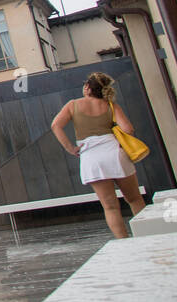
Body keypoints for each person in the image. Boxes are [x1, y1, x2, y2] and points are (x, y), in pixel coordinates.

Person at [50, 71, 145, 238]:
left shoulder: (72, 105)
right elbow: (128, 129)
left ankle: (124, 242)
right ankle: (148, 235)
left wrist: (70, 148)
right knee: (135, 199)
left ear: (87, 88)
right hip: (114, 153)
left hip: (91, 157)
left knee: (110, 207)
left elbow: (56, 125)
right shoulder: (110, 105)